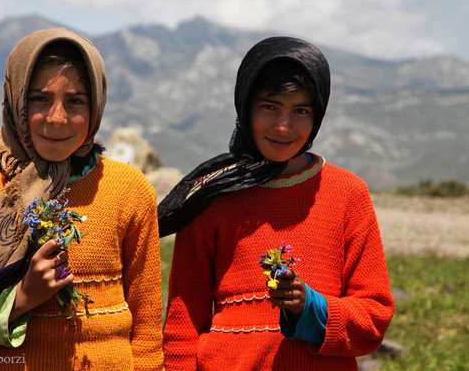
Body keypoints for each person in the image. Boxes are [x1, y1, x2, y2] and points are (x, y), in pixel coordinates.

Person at [0, 28, 164, 370]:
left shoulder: (128, 189)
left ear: (97, 105)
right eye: (39, 99)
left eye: (76, 100)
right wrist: (20, 299)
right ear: (15, 100)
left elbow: (147, 334)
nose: (57, 118)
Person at [160, 36, 394, 370]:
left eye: (301, 110)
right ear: (245, 106)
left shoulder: (347, 193)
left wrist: (308, 306)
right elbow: (183, 327)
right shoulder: (212, 194)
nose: (284, 127)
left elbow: (374, 316)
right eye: (269, 106)